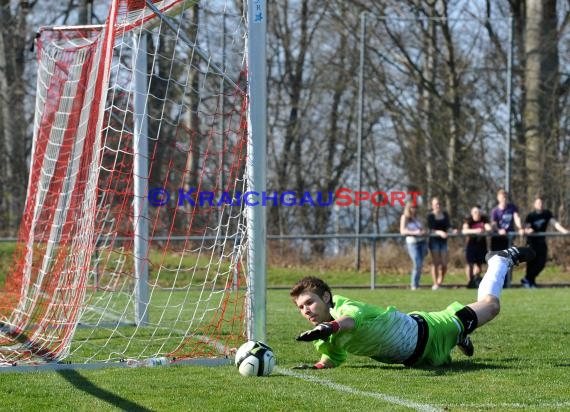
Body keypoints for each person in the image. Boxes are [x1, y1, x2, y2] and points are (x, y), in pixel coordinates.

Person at [290, 246, 536, 369]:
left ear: (326, 296)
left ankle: (499, 261)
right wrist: (319, 366)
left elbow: (349, 321)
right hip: (420, 358)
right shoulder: (323, 337)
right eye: (301, 308)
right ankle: (460, 335)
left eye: (309, 302)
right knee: (447, 361)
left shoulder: (344, 306)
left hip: (432, 330)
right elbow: (334, 354)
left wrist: (329, 327)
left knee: (491, 306)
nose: (306, 310)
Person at [522, 196, 569, 288]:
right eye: (538, 203)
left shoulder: (547, 214)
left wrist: (564, 231)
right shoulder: (531, 216)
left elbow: (555, 223)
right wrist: (528, 230)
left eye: (542, 203)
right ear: (534, 205)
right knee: (532, 263)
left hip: (541, 242)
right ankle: (529, 282)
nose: (540, 205)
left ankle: (527, 279)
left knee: (541, 263)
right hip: (531, 242)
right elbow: (527, 227)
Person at [462, 205, 492, 288]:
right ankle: (469, 281)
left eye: (478, 212)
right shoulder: (469, 220)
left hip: (481, 245)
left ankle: (475, 280)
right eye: (475, 212)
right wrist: (476, 231)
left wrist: (487, 228)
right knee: (470, 264)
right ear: (472, 213)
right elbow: (464, 230)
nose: (477, 214)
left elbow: (489, 228)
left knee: (479, 265)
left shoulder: (484, 220)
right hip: (471, 245)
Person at [399, 201, 427, 290]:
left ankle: (417, 284)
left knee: (420, 264)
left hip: (422, 242)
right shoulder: (405, 218)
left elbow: (423, 228)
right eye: (413, 207)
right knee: (417, 263)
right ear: (409, 208)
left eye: (415, 207)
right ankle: (414, 285)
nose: (414, 209)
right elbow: (402, 231)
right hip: (412, 243)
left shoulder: (418, 218)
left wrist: (423, 232)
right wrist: (414, 232)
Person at [426, 197, 452, 290]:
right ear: (432, 205)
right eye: (436, 204)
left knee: (444, 264)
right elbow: (431, 229)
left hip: (444, 242)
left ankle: (440, 280)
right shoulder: (430, 216)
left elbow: (448, 227)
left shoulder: (445, 214)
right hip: (434, 241)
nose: (438, 205)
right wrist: (440, 232)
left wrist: (452, 230)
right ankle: (435, 284)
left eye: (439, 204)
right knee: (435, 263)